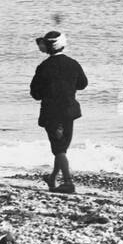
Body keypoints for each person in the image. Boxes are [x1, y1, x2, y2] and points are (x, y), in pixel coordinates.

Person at [30, 30, 87, 194]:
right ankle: (53, 177)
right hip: (70, 110)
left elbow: (35, 93)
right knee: (61, 146)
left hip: (51, 112)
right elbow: (83, 84)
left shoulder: (43, 67)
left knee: (58, 148)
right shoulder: (73, 63)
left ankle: (68, 182)